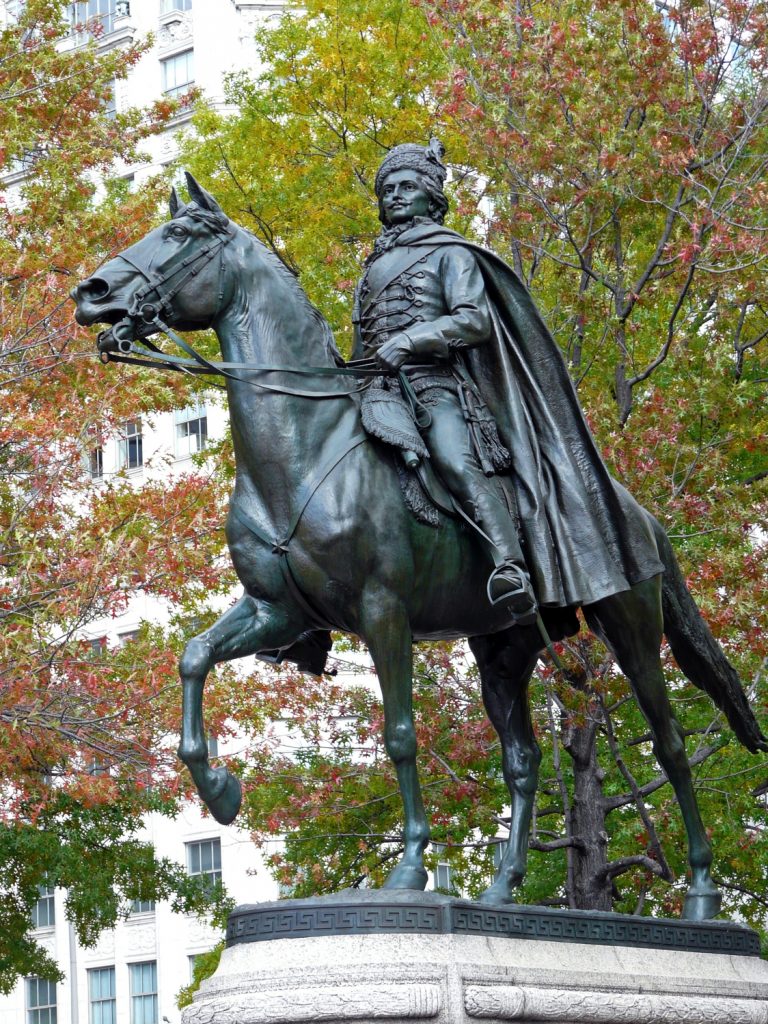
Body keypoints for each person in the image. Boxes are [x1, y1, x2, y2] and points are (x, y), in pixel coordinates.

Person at [352, 140, 664, 622]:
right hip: (375, 389)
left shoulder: (450, 254)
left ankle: (509, 565)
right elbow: (363, 340)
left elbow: (473, 320)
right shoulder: (371, 267)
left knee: (454, 458)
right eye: (386, 189)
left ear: (431, 197)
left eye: (406, 186)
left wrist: (413, 340)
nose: (393, 195)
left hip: (435, 386)